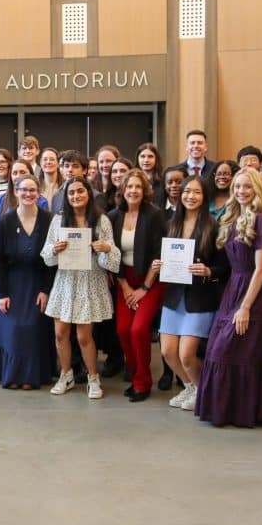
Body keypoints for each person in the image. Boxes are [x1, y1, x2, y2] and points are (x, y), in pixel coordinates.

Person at [195, 167, 262, 427]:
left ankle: (250, 412)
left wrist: (245, 307)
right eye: (237, 186)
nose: (241, 191)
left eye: (247, 187)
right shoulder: (232, 217)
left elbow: (261, 268)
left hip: (255, 291)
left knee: (241, 348)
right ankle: (228, 410)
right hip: (234, 286)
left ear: (257, 189)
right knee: (219, 348)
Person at [153, 176, 226, 411]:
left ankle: (204, 389)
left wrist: (207, 270)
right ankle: (190, 387)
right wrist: (159, 265)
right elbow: (164, 257)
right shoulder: (170, 224)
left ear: (204, 197)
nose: (190, 196)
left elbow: (224, 268)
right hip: (174, 296)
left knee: (186, 354)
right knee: (167, 351)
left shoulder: (213, 227)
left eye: (196, 192)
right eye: (186, 191)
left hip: (200, 298)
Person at [42, 177, 119, 398]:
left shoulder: (101, 220)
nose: (76, 196)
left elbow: (112, 259)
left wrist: (105, 248)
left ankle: (93, 378)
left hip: (89, 281)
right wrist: (54, 250)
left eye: (80, 191)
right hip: (65, 281)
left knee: (84, 336)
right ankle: (66, 375)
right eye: (71, 193)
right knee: (60, 333)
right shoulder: (58, 220)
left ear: (88, 193)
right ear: (66, 197)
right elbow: (46, 254)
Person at [0, 174, 56, 390]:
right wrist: (2, 294)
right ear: (16, 192)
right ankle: (12, 374)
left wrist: (46, 290)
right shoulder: (5, 222)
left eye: (32, 190)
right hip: (10, 284)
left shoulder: (49, 220)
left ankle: (31, 375)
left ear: (39, 193)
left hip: (37, 283)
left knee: (31, 328)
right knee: (14, 329)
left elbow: (52, 261)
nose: (28, 194)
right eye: (23, 190)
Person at [108, 170, 166, 402]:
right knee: (123, 329)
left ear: (145, 191)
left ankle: (143, 382)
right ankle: (135, 375)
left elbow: (158, 254)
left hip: (151, 279)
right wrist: (125, 286)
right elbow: (113, 255)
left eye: (138, 187)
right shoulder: (113, 216)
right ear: (122, 190)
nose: (133, 191)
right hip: (125, 279)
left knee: (139, 329)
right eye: (129, 187)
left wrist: (143, 288)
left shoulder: (154, 215)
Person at [0, 159, 46, 243]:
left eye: (22, 172)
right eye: (14, 173)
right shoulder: (1, 200)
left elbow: (44, 233)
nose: (18, 176)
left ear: (31, 174)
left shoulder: (41, 201)